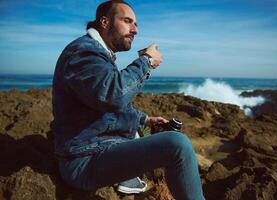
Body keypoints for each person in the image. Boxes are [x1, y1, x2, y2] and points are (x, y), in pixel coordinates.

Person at [52, 0, 206, 199]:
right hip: (83, 161)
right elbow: (112, 96)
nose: (135, 30)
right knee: (177, 144)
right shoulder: (84, 52)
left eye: (136, 24)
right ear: (105, 22)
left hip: (95, 149)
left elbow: (100, 105)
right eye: (127, 21)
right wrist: (147, 61)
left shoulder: (98, 53)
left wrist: (145, 120)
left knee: (152, 135)